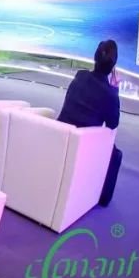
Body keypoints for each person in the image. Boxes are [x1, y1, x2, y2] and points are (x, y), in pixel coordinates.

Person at [57, 39, 122, 206]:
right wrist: (115, 89)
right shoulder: (109, 94)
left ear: (95, 58)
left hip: (61, 132)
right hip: (84, 143)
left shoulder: (80, 75)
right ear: (113, 66)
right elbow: (113, 124)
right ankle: (103, 198)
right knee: (115, 154)